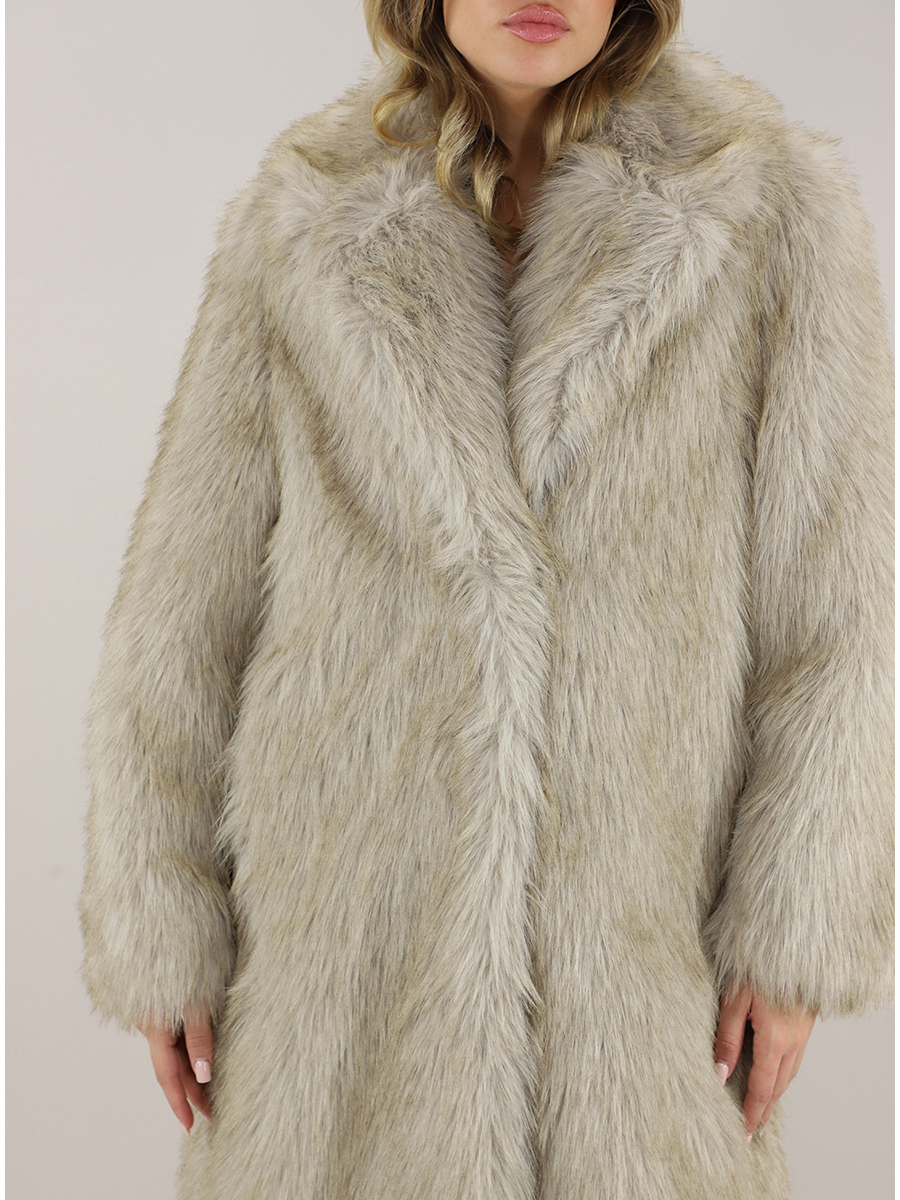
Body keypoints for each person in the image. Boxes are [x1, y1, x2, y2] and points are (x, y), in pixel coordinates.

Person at [77, 1, 893, 1197]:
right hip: (342, 965)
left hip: (636, 958)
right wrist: (163, 925)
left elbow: (839, 616)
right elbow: (180, 609)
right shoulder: (300, 212)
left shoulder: (768, 204)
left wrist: (793, 931)